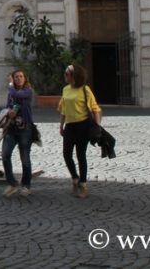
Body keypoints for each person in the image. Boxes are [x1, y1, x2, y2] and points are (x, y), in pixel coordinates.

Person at [59, 64, 101, 199]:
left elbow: (95, 108)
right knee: (66, 154)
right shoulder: (65, 89)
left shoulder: (85, 89)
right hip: (70, 126)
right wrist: (61, 126)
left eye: (67, 73)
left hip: (83, 125)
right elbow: (63, 109)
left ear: (74, 75)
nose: (65, 75)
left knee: (80, 155)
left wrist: (97, 126)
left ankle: (83, 185)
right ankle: (75, 179)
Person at [0, 69, 35, 197]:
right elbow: (8, 105)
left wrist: (10, 85)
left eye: (21, 76)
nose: (19, 79)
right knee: (5, 155)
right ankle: (12, 183)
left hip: (25, 129)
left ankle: (26, 185)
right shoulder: (11, 93)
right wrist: (8, 112)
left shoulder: (27, 92)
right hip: (11, 129)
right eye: (16, 77)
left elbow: (17, 95)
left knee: (25, 159)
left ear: (25, 79)